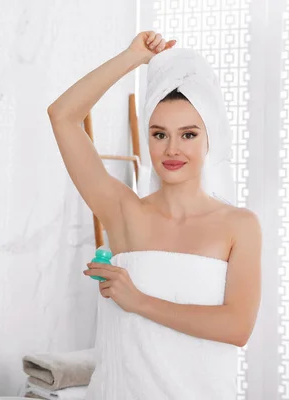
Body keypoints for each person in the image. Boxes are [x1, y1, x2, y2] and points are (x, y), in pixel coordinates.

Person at [47, 31, 262, 399]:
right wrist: (132, 57)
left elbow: (237, 327)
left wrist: (138, 301)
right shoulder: (124, 212)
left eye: (189, 134)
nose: (172, 149)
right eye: (159, 134)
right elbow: (63, 116)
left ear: (211, 139)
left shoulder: (238, 225)